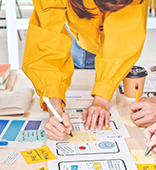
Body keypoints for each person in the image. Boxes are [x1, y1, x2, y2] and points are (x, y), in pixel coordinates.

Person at [22, 0, 148, 141]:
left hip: (113, 43)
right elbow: (47, 43)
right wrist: (55, 110)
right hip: (78, 30)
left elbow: (123, 39)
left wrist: (101, 99)